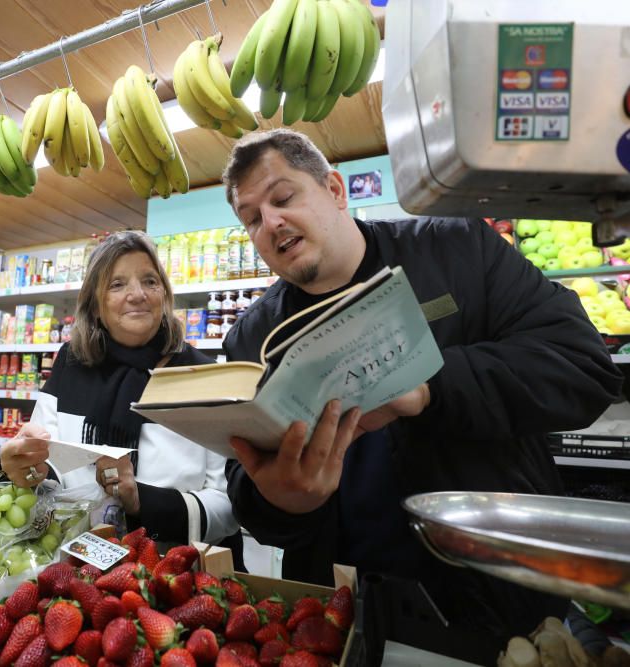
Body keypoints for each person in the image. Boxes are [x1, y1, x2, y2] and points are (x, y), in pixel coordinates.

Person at [219, 129, 622, 646]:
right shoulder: (252, 335)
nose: (269, 223)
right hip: (341, 616)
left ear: (336, 190)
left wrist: (432, 386)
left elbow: (583, 366)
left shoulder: (458, 248)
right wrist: (281, 503)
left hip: (499, 597)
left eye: (283, 197)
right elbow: (245, 482)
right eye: (251, 218)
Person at [0, 231, 244, 562]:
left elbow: (230, 508)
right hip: (81, 568)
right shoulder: (70, 365)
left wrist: (141, 500)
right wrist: (29, 469)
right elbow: (53, 469)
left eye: (150, 281)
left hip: (173, 576)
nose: (138, 294)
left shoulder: (202, 377)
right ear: (95, 306)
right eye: (117, 285)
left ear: (164, 295)